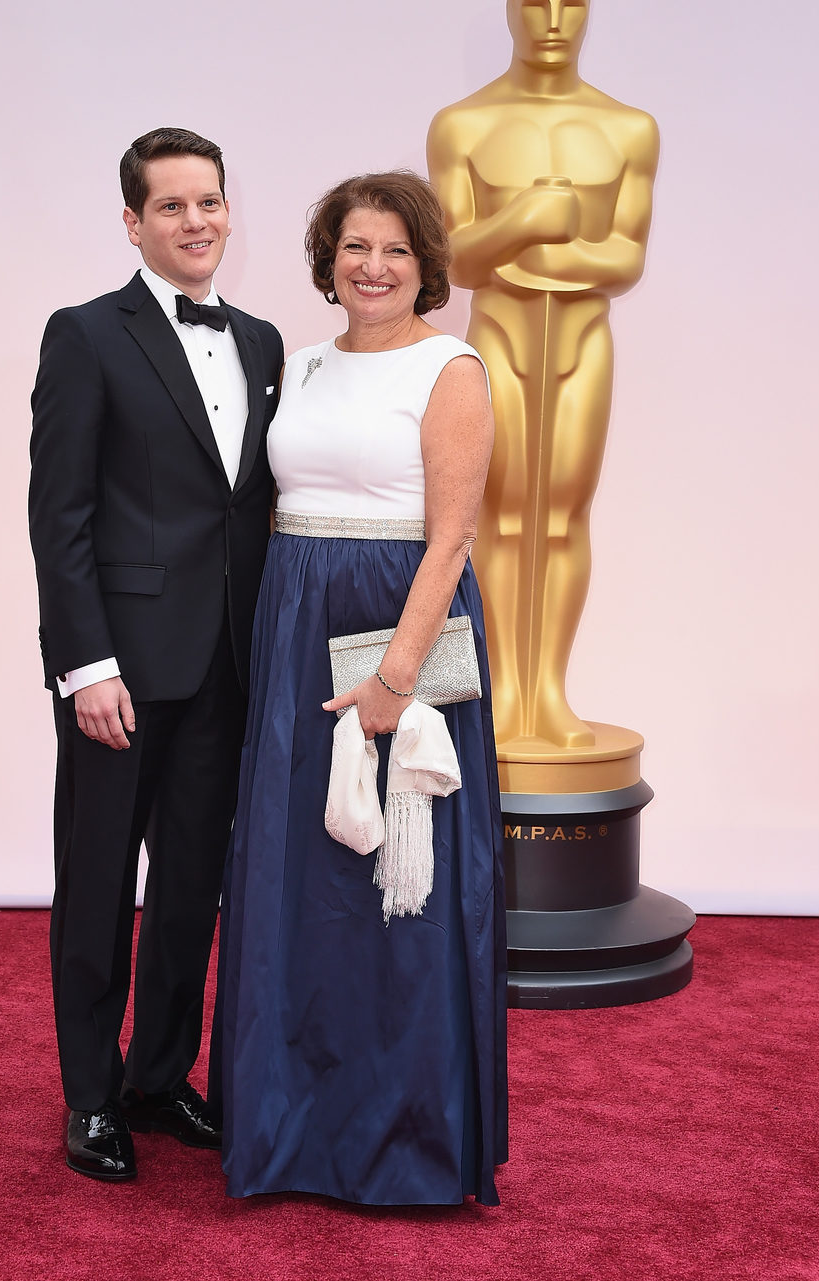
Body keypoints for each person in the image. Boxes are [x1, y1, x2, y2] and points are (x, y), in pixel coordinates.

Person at [212, 171, 509, 1206]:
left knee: (398, 888)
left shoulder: (452, 368)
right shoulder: (298, 365)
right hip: (296, 628)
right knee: (300, 879)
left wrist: (393, 675)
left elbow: (453, 538)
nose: (372, 266)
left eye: (393, 248)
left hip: (402, 625)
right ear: (327, 260)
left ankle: (405, 1139)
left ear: (427, 264)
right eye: (353, 247)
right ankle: (290, 1126)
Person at [28, 127, 283, 1181]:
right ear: (133, 222)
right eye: (172, 206)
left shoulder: (266, 341)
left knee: (190, 888)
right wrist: (86, 666)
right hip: (120, 675)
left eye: (209, 202)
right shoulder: (86, 334)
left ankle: (158, 1072)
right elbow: (62, 515)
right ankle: (90, 1095)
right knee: (97, 886)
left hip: (228, 669)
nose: (196, 222)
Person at [427, 0, 659, 751]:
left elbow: (625, 257)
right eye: (536, 4)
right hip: (498, 336)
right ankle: (499, 691)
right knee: (493, 514)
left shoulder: (628, 129)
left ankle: (547, 693)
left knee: (561, 515)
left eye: (572, 4)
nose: (555, 22)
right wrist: (527, 221)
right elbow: (456, 258)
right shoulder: (464, 125)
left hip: (582, 341)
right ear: (510, 9)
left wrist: (530, 253)